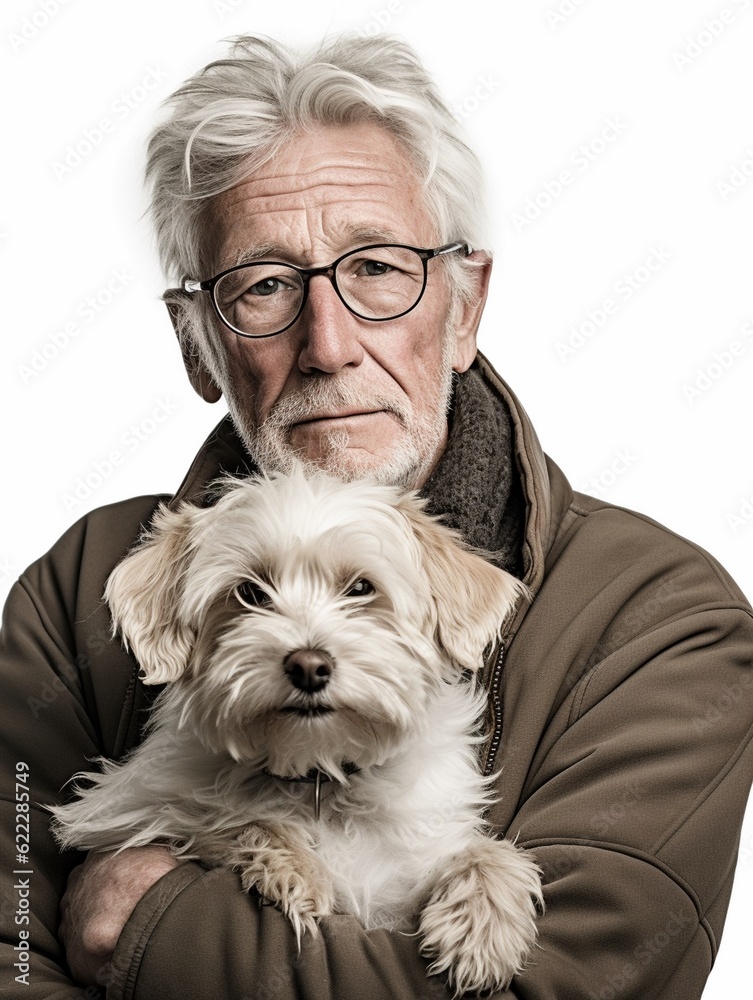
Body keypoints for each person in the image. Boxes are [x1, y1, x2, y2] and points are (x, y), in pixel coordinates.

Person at [2, 32, 752, 1000]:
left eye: (378, 268)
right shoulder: (79, 585)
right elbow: (11, 946)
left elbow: (564, 985)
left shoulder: (660, 618)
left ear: (465, 304)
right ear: (196, 344)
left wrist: (153, 925)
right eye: (263, 285)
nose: (329, 342)